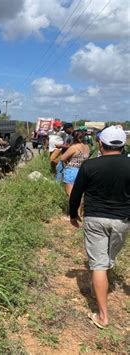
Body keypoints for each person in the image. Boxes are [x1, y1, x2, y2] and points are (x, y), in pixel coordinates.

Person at [68, 126, 130, 330]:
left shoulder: (89, 165)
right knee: (108, 259)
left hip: (95, 219)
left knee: (99, 264)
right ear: (123, 144)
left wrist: (73, 214)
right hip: (122, 220)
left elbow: (76, 193)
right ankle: (101, 286)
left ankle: (103, 316)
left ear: (100, 143)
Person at [60, 130, 90, 196]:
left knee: (71, 195)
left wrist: (66, 164)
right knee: (80, 194)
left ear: (74, 137)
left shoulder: (74, 147)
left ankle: (74, 206)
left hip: (72, 170)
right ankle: (80, 206)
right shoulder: (87, 147)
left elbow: (62, 158)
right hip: (82, 171)